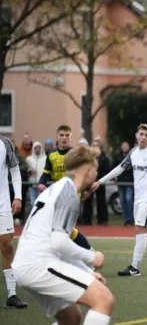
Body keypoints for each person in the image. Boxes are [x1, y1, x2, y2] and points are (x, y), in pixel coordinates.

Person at [12, 145, 114, 324]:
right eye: (96, 168)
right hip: (39, 265)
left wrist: (87, 272)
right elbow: (59, 243)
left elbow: (59, 244)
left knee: (71, 319)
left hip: (28, 264)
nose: (97, 173)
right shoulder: (68, 194)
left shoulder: (59, 188)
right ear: (87, 169)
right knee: (103, 300)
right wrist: (92, 257)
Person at [92, 124, 147, 277]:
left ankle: (135, 267)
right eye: (141, 134)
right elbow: (120, 168)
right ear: (136, 135)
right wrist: (100, 181)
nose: (143, 137)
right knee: (145, 233)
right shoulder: (133, 152)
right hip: (139, 197)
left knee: (140, 230)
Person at [37, 125, 93, 252]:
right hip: (58, 196)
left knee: (63, 228)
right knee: (63, 229)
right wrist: (41, 183)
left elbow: (86, 173)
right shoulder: (51, 155)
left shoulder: (76, 154)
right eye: (61, 135)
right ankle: (86, 254)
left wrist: (87, 189)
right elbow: (46, 173)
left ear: (71, 137)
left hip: (73, 195)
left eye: (67, 135)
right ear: (57, 137)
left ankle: (88, 254)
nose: (64, 138)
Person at [1, 136, 27, 308]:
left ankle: (12, 294)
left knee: (7, 246)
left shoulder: (5, 143)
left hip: (2, 204)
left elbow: (15, 170)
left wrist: (17, 196)